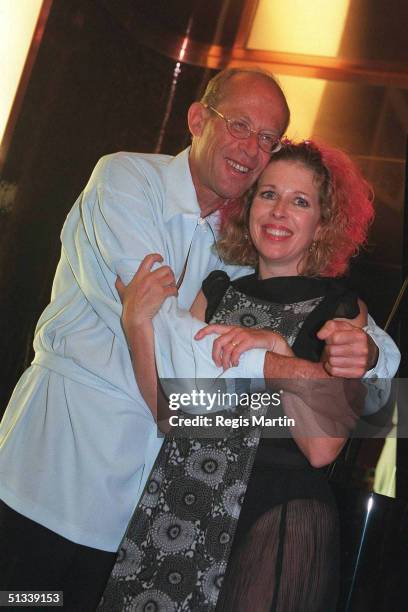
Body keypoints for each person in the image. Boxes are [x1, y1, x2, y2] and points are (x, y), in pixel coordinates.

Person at [0, 68, 399, 610]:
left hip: (172, 509)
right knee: (24, 599)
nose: (251, 147)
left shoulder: (235, 258)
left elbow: (361, 400)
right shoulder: (127, 182)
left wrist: (370, 351)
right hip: (57, 469)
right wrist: (291, 367)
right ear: (196, 120)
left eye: (267, 138)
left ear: (323, 220)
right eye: (239, 125)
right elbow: (166, 332)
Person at [99, 140, 374, 611]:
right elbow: (174, 416)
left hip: (272, 515)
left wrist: (279, 351)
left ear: (323, 223)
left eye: (300, 201)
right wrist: (137, 325)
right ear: (248, 206)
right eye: (268, 194)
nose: (279, 211)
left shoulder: (342, 310)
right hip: (183, 501)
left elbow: (323, 449)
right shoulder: (218, 292)